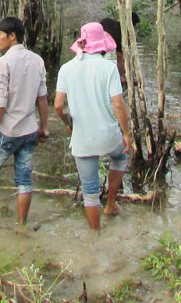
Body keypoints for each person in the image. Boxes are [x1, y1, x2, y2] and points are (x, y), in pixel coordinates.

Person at [54, 22, 132, 230]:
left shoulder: (66, 69)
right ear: (102, 45)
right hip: (109, 136)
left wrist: (68, 125)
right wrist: (126, 133)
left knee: (89, 191)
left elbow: (58, 106)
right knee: (120, 157)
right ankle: (111, 204)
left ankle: (95, 235)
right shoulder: (109, 68)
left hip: (83, 139)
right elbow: (118, 103)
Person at [0, 17, 50, 225]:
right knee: (24, 179)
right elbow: (42, 98)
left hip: (7, 131)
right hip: (29, 131)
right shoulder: (37, 60)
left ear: (12, 36)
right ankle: (21, 224)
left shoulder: (3, 62)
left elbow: (0, 101)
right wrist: (44, 127)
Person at [99, 13, 139, 88]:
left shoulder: (106, 21)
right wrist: (122, 76)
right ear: (131, 25)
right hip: (99, 53)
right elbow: (120, 59)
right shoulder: (122, 36)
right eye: (135, 26)